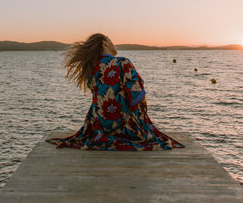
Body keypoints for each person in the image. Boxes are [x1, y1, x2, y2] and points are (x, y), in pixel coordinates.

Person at [46, 32, 185, 151]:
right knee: (143, 122)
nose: (114, 43)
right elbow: (137, 96)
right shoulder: (122, 63)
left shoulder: (91, 69)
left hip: (97, 127)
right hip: (125, 127)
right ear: (104, 44)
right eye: (110, 40)